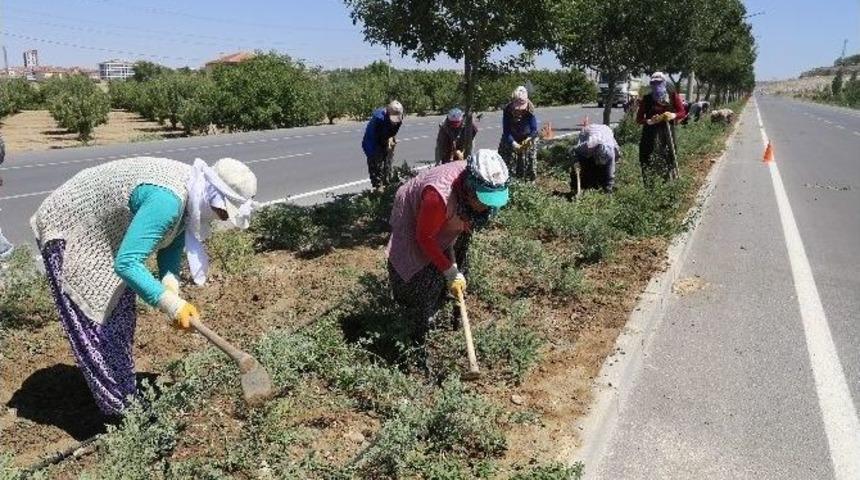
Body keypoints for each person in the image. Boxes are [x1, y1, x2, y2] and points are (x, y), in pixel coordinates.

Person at [30, 156, 258, 416]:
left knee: (121, 315)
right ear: (212, 196)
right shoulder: (168, 200)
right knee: (97, 326)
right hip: (74, 226)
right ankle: (119, 415)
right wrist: (171, 304)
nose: (221, 218)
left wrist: (171, 287)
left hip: (111, 236)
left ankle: (125, 396)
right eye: (222, 212)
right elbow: (127, 264)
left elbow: (171, 241)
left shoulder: (192, 193)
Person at [386, 149, 510, 358]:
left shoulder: (478, 185)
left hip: (448, 211)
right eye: (484, 200)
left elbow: (470, 216)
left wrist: (453, 269)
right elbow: (424, 238)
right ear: (470, 187)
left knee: (457, 258)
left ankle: (449, 309)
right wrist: (448, 270)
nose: (487, 206)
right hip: (417, 214)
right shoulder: (437, 196)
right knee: (418, 269)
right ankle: (418, 339)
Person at [636, 72, 687, 182]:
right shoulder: (647, 98)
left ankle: (669, 179)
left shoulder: (672, 95)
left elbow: (682, 112)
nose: (656, 85)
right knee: (647, 155)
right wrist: (649, 121)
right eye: (653, 83)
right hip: (650, 131)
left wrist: (672, 115)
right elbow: (639, 119)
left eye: (659, 82)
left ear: (664, 83)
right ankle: (649, 182)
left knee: (669, 154)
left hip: (667, 130)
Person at [498, 86, 539, 180]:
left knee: (529, 161)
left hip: (527, 137)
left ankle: (529, 181)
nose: (519, 110)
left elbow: (534, 129)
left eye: (521, 109)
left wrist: (529, 139)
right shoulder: (508, 110)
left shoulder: (530, 109)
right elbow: (506, 130)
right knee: (508, 161)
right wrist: (513, 143)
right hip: (511, 137)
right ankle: (508, 180)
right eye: (517, 108)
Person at [362, 100, 404, 191]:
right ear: (388, 114)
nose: (396, 120)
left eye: (397, 117)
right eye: (394, 117)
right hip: (372, 143)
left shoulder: (399, 117)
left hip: (384, 136)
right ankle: (378, 187)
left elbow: (393, 130)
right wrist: (386, 145)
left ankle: (387, 182)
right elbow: (378, 139)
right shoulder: (379, 119)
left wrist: (391, 140)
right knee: (377, 165)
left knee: (388, 162)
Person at [570, 123, 622, 196]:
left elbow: (610, 174)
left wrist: (608, 188)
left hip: (606, 131)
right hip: (588, 131)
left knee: (606, 174)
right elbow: (574, 151)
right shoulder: (586, 147)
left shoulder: (612, 152)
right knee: (583, 166)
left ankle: (600, 187)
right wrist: (576, 163)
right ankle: (577, 188)